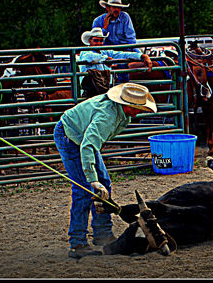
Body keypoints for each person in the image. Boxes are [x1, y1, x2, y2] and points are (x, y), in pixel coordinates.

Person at [53, 82, 157, 258]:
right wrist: (92, 179)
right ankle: (77, 244)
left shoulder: (118, 113)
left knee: (104, 183)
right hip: (71, 137)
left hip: (82, 136)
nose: (141, 111)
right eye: (139, 107)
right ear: (129, 106)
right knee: (84, 190)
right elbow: (87, 145)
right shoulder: (107, 116)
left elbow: (91, 142)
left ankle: (103, 233)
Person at [79, 27, 152, 98]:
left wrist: (141, 56)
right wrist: (105, 59)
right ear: (90, 41)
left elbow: (122, 54)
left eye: (101, 41)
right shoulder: (85, 52)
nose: (99, 43)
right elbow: (90, 56)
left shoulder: (105, 51)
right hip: (91, 92)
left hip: (104, 90)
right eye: (96, 40)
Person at [92, 0, 140, 83]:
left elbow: (131, 39)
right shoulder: (98, 21)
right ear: (107, 8)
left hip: (123, 50)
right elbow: (96, 42)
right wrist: (105, 28)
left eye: (119, 7)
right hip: (106, 52)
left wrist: (138, 54)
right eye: (114, 7)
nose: (117, 10)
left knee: (126, 63)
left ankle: (122, 86)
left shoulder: (125, 17)